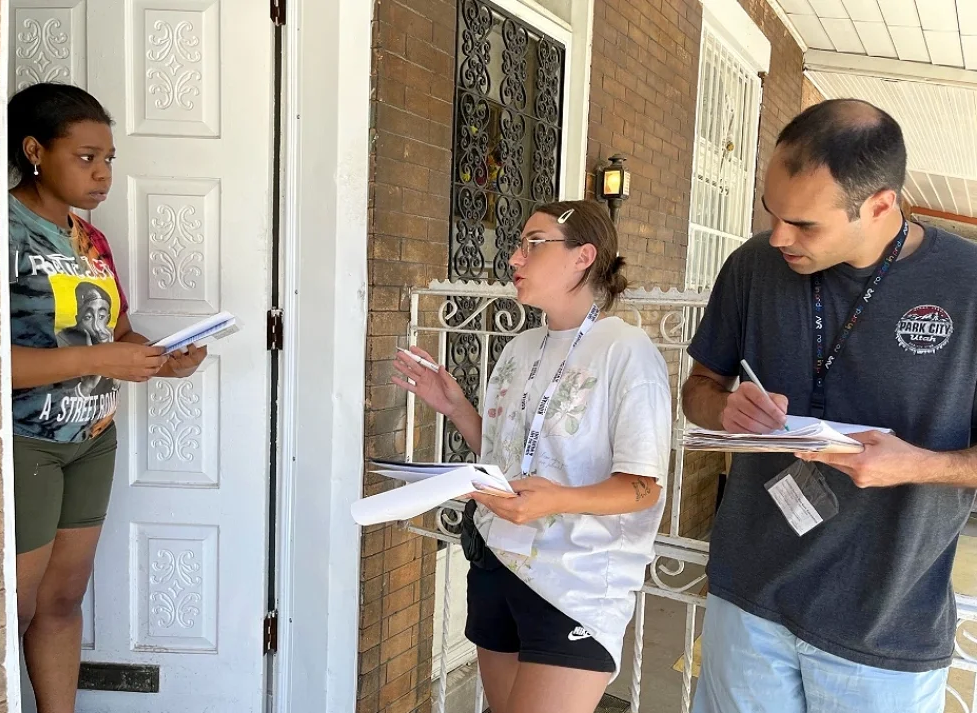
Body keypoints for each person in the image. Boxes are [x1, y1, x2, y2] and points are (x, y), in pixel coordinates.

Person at [683, 98, 977, 713]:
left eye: (805, 225)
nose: (779, 238)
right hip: (749, 598)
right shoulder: (753, 266)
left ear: (881, 204)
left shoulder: (967, 284)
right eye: (774, 214)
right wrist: (723, 408)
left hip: (883, 624)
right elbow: (699, 387)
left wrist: (916, 465)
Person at [393, 199, 671, 713]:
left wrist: (556, 500)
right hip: (498, 564)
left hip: (575, 583)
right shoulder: (520, 348)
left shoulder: (626, 352)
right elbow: (502, 463)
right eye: (519, 245)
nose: (515, 259)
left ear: (583, 256)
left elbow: (644, 487)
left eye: (532, 244)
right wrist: (454, 406)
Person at [8, 82, 208, 713]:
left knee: (63, 602)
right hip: (24, 441)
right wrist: (104, 358)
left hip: (92, 438)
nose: (103, 174)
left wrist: (161, 360)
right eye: (86, 157)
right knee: (5, 612)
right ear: (35, 149)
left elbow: (114, 333)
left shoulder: (91, 241)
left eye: (110, 160)